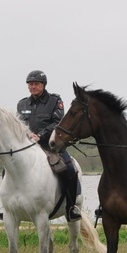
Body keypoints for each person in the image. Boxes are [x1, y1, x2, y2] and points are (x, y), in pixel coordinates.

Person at [16, 70, 81, 221]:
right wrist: (28, 135)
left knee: (70, 169)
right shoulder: (22, 103)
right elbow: (19, 124)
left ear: (44, 85)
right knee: (8, 169)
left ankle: (71, 207)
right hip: (28, 146)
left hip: (52, 145)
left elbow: (58, 122)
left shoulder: (54, 101)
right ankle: (8, 206)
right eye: (30, 84)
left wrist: (40, 135)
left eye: (36, 84)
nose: (33, 87)